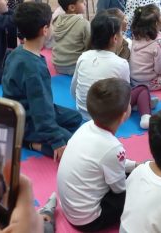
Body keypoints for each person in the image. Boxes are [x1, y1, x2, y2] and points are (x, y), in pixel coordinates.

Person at [2, 2, 82, 159]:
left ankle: (36, 136)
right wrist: (56, 141)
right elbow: (41, 110)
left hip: (24, 111)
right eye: (51, 24)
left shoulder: (19, 52)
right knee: (72, 146)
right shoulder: (33, 68)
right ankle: (29, 143)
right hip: (26, 120)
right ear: (45, 30)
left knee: (75, 118)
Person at [58, 78, 137, 230]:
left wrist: (134, 166)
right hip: (88, 220)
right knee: (140, 187)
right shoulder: (113, 148)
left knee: (134, 172)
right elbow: (120, 189)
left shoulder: (87, 127)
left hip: (70, 209)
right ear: (123, 116)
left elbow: (107, 161)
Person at [71, 13, 153, 128]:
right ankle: (146, 116)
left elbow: (73, 89)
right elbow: (125, 97)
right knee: (142, 89)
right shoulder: (121, 63)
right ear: (115, 38)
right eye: (122, 33)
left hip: (83, 112)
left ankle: (140, 104)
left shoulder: (83, 57)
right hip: (109, 118)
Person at [51, 0, 91, 75]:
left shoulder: (57, 19)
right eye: (82, 1)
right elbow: (90, 46)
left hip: (57, 65)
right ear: (72, 7)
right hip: (75, 66)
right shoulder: (84, 23)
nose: (85, 3)